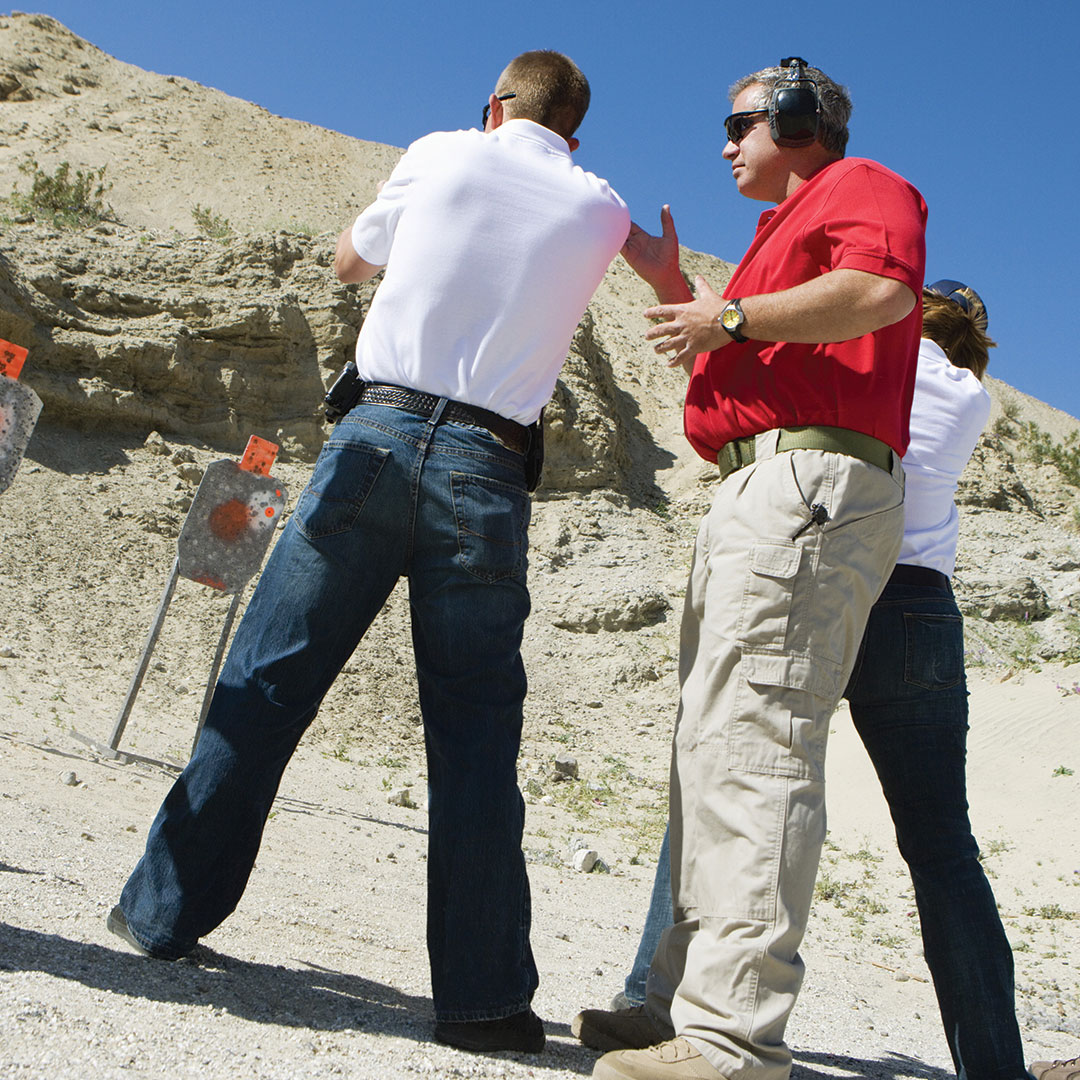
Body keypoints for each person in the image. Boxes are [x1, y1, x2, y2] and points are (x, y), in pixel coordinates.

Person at [107, 49, 630, 1054]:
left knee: (266, 683)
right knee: (476, 741)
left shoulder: (440, 152)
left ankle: (164, 913)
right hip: (489, 467)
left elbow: (352, 259)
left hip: (376, 440)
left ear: (493, 105)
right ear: (573, 130)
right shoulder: (599, 204)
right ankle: (483, 1004)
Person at [575, 59, 927, 1080]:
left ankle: (730, 1041)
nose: (725, 145)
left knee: (758, 741)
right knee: (714, 749)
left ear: (801, 118)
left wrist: (726, 314)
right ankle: (681, 1007)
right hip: (762, 487)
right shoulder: (783, 234)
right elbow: (727, 370)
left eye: (739, 124)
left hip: (805, 484)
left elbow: (879, 292)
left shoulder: (860, 188)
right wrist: (678, 291)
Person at [593, 280, 1035, 1080]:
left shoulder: (866, 356)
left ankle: (655, 1006)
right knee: (942, 845)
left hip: (830, 571)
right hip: (918, 602)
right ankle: (997, 1065)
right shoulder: (972, 396)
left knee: (725, 783)